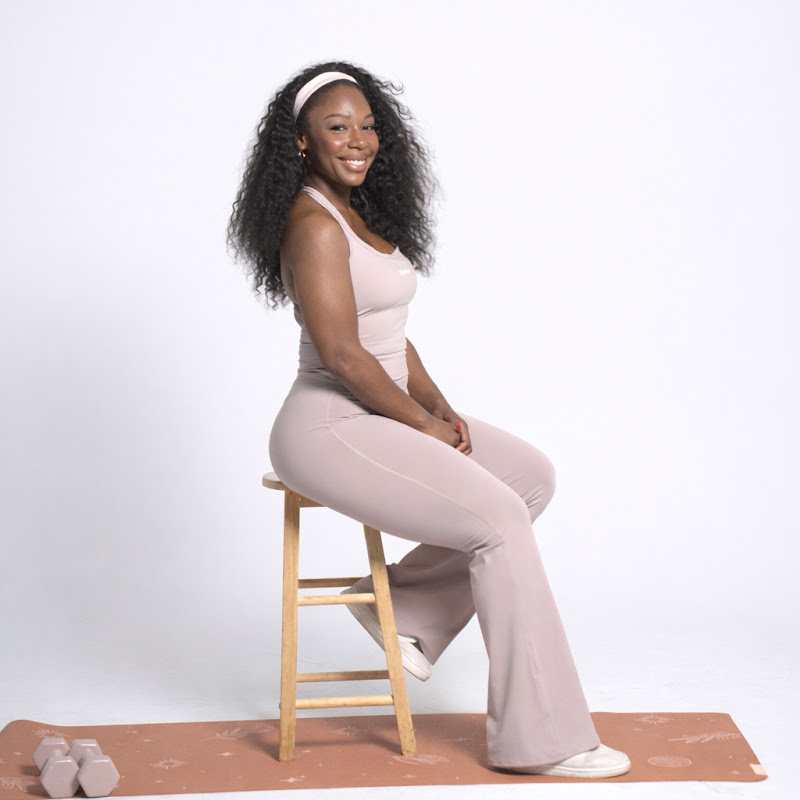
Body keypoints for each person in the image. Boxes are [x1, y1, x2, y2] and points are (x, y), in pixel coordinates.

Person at [226, 60, 631, 779]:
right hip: (327, 425)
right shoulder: (312, 223)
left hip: (378, 407)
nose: (358, 140)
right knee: (498, 520)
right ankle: (543, 740)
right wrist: (420, 425)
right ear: (301, 141)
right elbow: (343, 354)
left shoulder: (357, 215)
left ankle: (405, 612)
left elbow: (389, 337)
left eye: (367, 125)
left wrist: (439, 404)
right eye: (337, 127)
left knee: (529, 477)